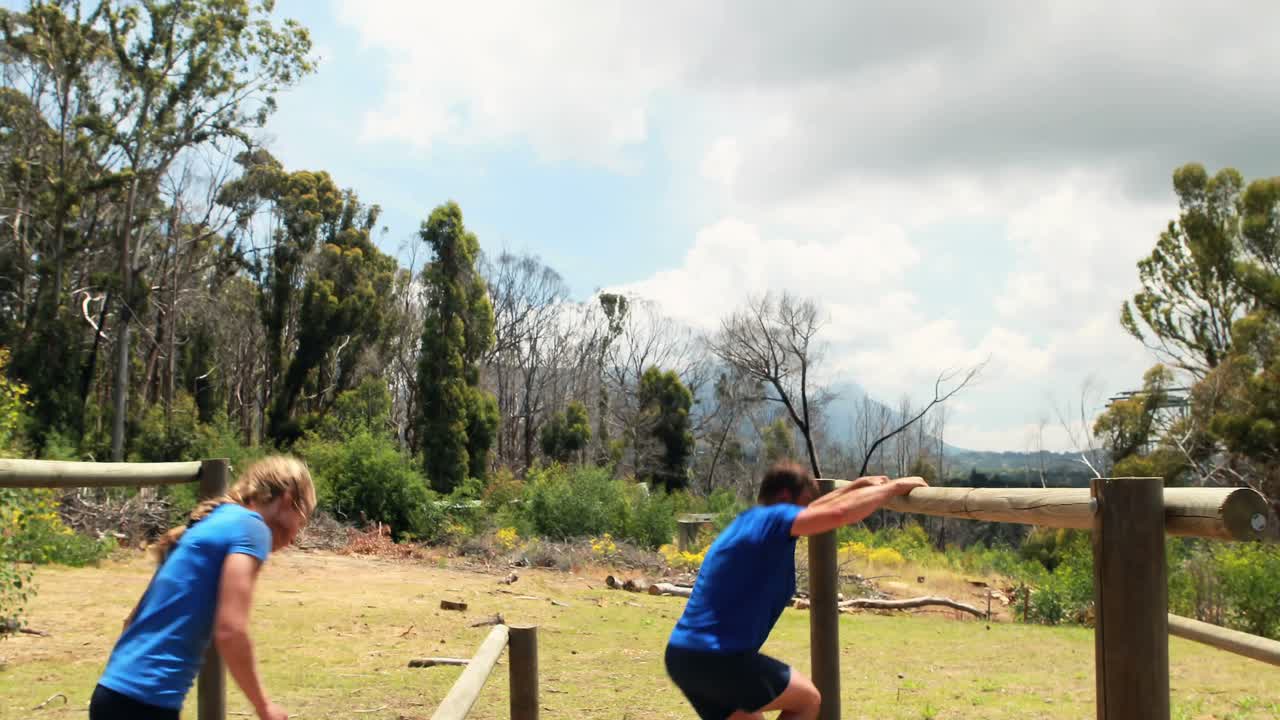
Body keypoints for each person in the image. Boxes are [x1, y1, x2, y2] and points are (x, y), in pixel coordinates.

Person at [665, 462, 928, 720]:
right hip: (718, 659)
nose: (811, 506)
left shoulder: (753, 524)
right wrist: (893, 488)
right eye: (806, 498)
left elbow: (819, 509)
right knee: (808, 700)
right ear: (784, 497)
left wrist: (858, 486)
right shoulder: (775, 519)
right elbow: (836, 514)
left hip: (683, 657)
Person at [90, 455, 317, 720]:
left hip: (112, 693)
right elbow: (231, 630)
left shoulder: (209, 523)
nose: (292, 539)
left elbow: (132, 620)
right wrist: (263, 706)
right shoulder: (252, 528)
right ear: (288, 499)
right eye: (299, 523)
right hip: (144, 705)